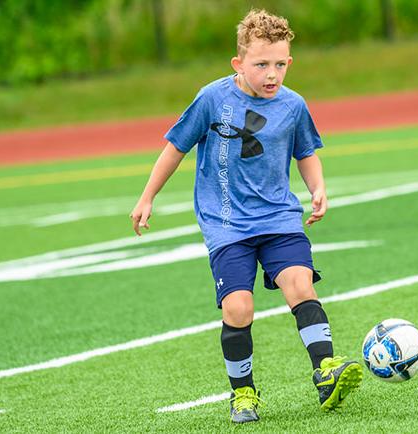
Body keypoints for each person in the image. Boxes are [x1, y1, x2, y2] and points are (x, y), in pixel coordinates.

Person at [129, 8, 362, 424]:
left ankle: (326, 372)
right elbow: (175, 147)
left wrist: (317, 188)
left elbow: (305, 151)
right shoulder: (212, 99)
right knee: (238, 308)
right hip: (227, 223)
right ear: (238, 64)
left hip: (278, 217)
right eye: (261, 65)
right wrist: (147, 197)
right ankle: (244, 393)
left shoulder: (293, 105)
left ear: (289, 62)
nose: (271, 74)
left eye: (279, 64)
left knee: (300, 283)